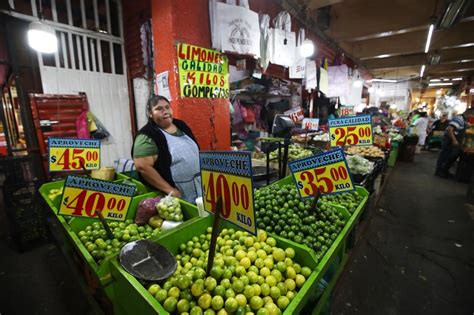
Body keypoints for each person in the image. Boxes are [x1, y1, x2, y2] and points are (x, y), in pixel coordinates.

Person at [132, 95, 201, 203]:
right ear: (150, 114)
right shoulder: (147, 135)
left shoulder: (181, 125)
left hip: (198, 187)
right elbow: (143, 167)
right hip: (176, 195)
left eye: (167, 107)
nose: (165, 111)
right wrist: (170, 190)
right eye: (159, 109)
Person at [435, 111, 468, 178]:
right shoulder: (459, 119)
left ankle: (445, 171)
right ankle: (439, 171)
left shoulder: (464, 120)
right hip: (448, 139)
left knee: (449, 156)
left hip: (452, 139)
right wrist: (454, 140)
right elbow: (450, 129)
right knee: (445, 155)